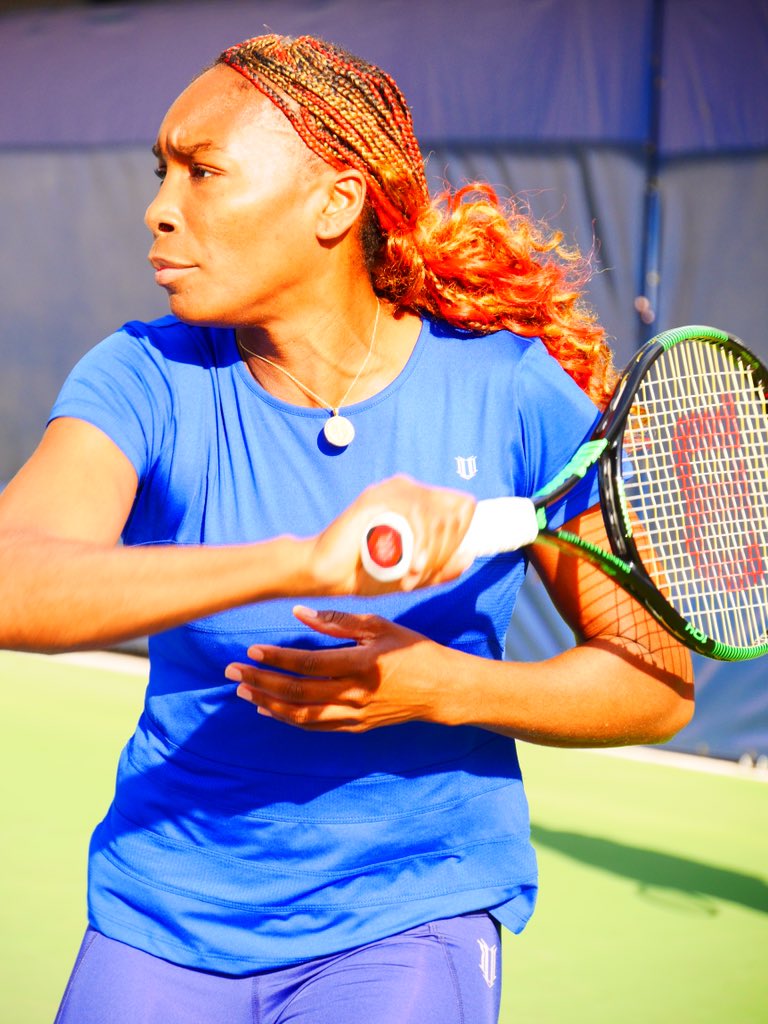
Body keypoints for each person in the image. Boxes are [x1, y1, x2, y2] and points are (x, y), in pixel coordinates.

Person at [0, 33, 693, 1024]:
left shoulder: (508, 389)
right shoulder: (140, 377)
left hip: (413, 908)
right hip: (162, 908)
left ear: (336, 200)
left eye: (204, 172)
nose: (158, 208)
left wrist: (440, 687)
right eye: (165, 172)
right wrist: (298, 561)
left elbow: (655, 682)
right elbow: (11, 578)